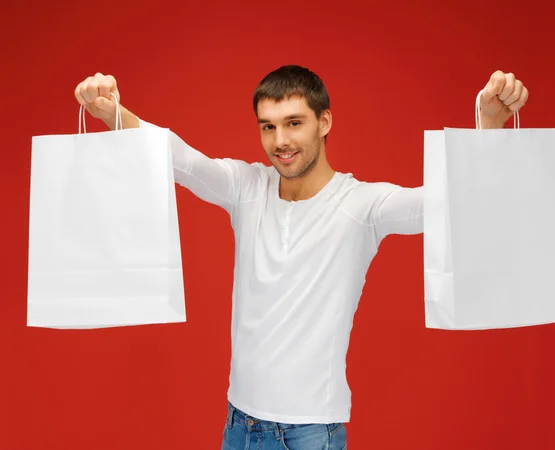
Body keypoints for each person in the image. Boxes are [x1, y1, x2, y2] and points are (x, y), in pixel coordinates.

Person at [74, 65, 529, 450]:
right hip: (237, 424)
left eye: (294, 122)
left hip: (310, 434)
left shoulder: (361, 205)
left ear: (324, 121)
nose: (280, 141)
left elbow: (444, 202)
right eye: (268, 126)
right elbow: (183, 161)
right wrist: (115, 115)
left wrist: (486, 127)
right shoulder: (244, 188)